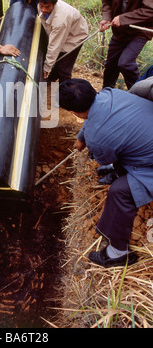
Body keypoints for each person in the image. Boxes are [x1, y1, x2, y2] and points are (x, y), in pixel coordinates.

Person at [59, 78, 153, 268]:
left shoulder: (97, 138)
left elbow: (105, 156)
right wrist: (81, 137)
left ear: (73, 112)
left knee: (119, 193)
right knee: (124, 145)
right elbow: (94, 116)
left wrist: (88, 140)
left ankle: (118, 253)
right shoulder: (111, 93)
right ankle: (120, 172)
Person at [100, 0, 153, 89]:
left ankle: (139, 93)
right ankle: (107, 94)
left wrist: (123, 19)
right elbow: (106, 2)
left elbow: (150, 11)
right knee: (111, 64)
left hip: (140, 31)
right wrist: (106, 18)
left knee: (125, 63)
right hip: (119, 32)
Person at [37, 0, 88, 82]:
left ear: (55, 3)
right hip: (61, 32)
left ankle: (65, 90)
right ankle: (50, 81)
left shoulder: (61, 19)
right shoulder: (41, 6)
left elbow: (55, 45)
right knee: (55, 61)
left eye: (47, 7)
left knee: (63, 68)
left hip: (75, 36)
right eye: (41, 6)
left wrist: (47, 67)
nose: (43, 10)